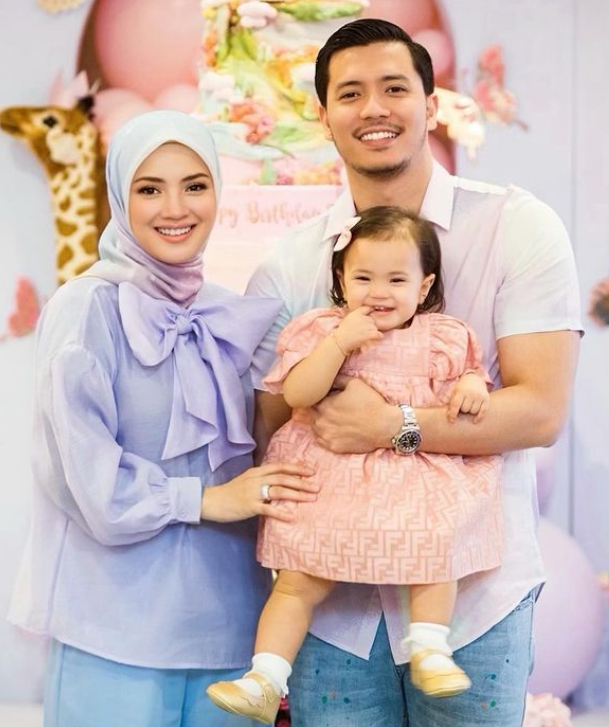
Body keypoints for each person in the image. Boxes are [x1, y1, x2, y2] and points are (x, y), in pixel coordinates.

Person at [246, 18, 582, 727]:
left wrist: (391, 425)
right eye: (350, 93)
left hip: (472, 595)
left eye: (394, 87)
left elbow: (538, 411)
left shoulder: (515, 226)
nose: (373, 108)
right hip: (332, 600)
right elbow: (267, 428)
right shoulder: (288, 264)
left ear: (432, 104)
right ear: (323, 115)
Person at [7, 110, 318, 727]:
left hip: (233, 633)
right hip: (114, 633)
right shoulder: (86, 309)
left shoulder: (232, 316)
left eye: (195, 185)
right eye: (150, 188)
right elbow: (89, 483)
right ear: (121, 199)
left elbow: (273, 444)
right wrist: (205, 499)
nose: (175, 208)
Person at [207, 206, 503, 722]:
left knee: (438, 548)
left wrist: (473, 386)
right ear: (341, 281)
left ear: (424, 286)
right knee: (296, 581)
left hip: (410, 481)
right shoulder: (319, 329)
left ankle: (430, 647)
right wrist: (339, 343)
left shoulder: (442, 337)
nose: (379, 292)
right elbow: (298, 393)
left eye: (396, 279)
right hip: (332, 481)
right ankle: (266, 676)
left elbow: (468, 377)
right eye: (364, 278)